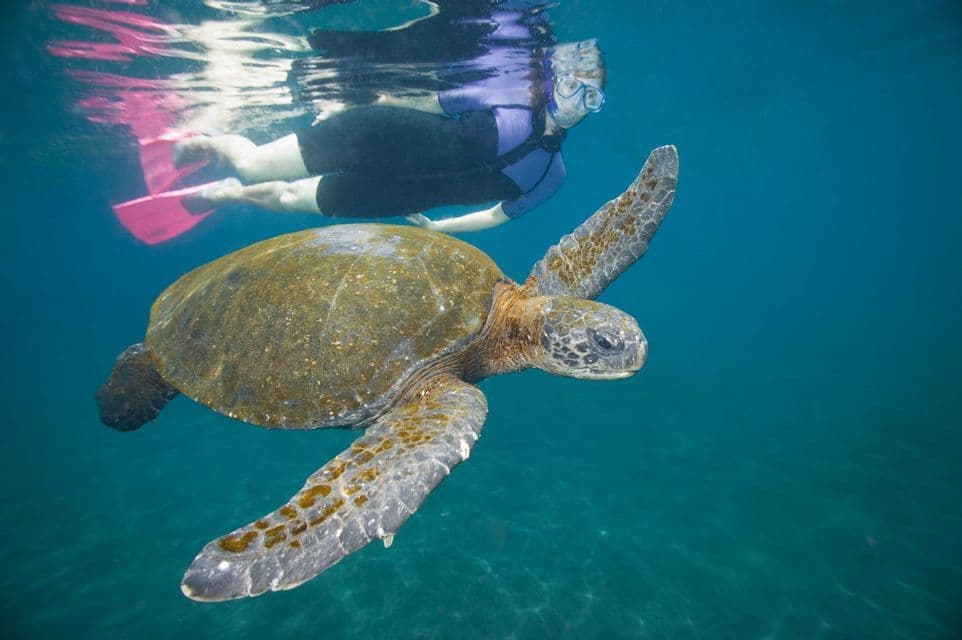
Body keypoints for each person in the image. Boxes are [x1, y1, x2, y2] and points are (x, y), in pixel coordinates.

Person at [173, 39, 605, 233]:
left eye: (589, 96)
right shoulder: (506, 96)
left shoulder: (552, 176)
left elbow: (497, 215)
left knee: (289, 200)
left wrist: (441, 229)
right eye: (570, 85)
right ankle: (215, 143)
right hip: (377, 135)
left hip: (393, 197)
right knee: (253, 164)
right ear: (552, 79)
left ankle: (225, 195)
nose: (575, 101)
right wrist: (357, 107)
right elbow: (426, 102)